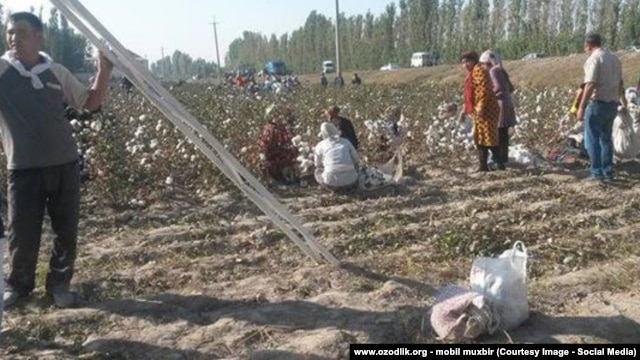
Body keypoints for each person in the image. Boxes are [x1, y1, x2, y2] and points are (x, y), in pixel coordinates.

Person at [1, 12, 113, 308]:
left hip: (64, 164)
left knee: (66, 231)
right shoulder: (1, 70)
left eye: (22, 32)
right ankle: (18, 286)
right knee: (21, 233)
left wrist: (104, 69)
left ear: (39, 37)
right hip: (23, 168)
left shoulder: (56, 72)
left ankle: (59, 286)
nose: (14, 38)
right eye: (10, 32)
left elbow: (89, 102)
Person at [576, 33, 626, 181]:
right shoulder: (614, 58)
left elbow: (590, 83)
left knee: (591, 140)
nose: (585, 51)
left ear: (588, 46)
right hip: (612, 104)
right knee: (606, 139)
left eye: (585, 48)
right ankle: (608, 171)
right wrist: (622, 100)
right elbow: (621, 82)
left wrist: (581, 106)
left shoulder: (594, 59)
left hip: (597, 104)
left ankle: (596, 173)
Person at [461, 50, 501, 172]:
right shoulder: (473, 72)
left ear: (474, 61)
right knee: (480, 138)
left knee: (488, 137)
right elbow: (471, 93)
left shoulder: (479, 71)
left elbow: (485, 89)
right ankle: (483, 166)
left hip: (486, 110)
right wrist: (465, 109)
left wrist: (480, 107)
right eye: (463, 62)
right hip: (480, 109)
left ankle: (498, 163)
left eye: (468, 61)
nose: (465, 65)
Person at [479, 50, 517, 168]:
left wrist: (488, 96)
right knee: (503, 132)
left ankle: (499, 158)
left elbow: (498, 87)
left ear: (487, 63)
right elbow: (511, 88)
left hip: (499, 104)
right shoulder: (501, 70)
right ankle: (503, 157)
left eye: (483, 64)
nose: (483, 67)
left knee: (498, 132)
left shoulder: (493, 71)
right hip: (507, 103)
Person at [258, 103, 299, 184]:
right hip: (273, 155)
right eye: (277, 114)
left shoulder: (280, 127)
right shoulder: (270, 129)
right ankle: (280, 175)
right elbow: (265, 145)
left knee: (293, 151)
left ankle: (287, 175)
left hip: (279, 152)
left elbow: (287, 139)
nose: (281, 116)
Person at [314, 122, 361, 192]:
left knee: (317, 171)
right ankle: (350, 185)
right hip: (351, 181)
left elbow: (317, 164)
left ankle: (328, 187)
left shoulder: (320, 145)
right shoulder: (346, 142)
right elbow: (357, 159)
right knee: (356, 166)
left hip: (331, 182)